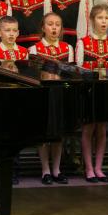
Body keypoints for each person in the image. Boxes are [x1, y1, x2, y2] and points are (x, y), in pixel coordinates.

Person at [76, 5, 108, 182]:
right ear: (92, 20)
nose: (103, 21)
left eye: (106, 18)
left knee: (102, 128)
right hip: (88, 90)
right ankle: (88, 168)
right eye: (100, 18)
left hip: (104, 90)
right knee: (88, 129)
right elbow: (78, 68)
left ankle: (99, 168)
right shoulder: (83, 42)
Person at [30, 12, 73, 185]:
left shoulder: (67, 48)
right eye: (50, 24)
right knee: (44, 133)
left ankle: (57, 169)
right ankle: (45, 169)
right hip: (44, 95)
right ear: (43, 27)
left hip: (61, 94)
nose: (54, 28)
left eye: (57, 25)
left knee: (58, 133)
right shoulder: (35, 49)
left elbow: (70, 73)